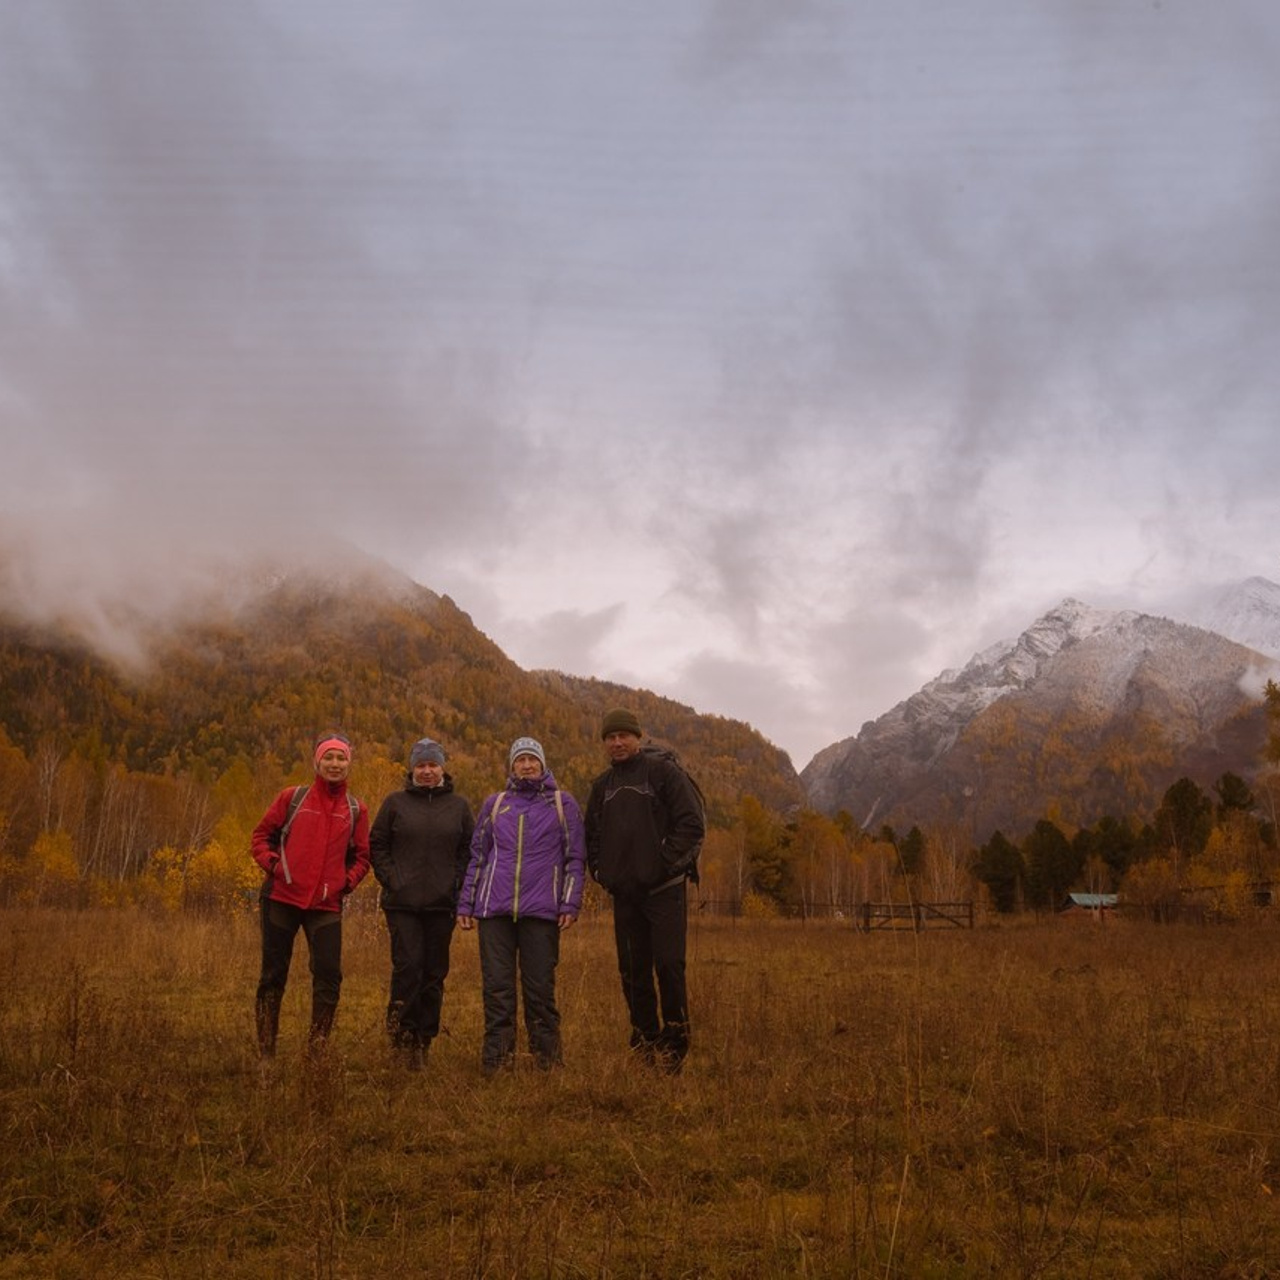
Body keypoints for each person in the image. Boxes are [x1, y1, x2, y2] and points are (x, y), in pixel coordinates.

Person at [585, 709, 705, 1073]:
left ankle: (675, 1045)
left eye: (624, 736)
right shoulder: (602, 786)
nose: (617, 743)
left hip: (664, 892)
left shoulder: (664, 773)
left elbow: (691, 824)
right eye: (611, 737)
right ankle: (645, 1041)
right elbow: (591, 836)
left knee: (669, 966)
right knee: (633, 971)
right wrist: (602, 873)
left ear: (638, 737)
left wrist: (660, 866)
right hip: (625, 895)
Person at [458, 737, 585, 1075]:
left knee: (539, 989)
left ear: (542, 764)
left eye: (532, 759)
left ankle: (547, 1063)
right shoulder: (496, 803)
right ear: (512, 766)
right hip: (494, 911)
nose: (527, 765)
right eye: (520, 760)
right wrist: (466, 903)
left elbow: (575, 858)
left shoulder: (563, 804)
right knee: (497, 988)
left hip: (542, 912)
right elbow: (478, 856)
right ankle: (497, 1062)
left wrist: (569, 902)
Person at [250, 733, 371, 1059]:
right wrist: (275, 867)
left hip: (326, 905)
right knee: (273, 976)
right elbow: (261, 837)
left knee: (329, 977)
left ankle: (316, 1054)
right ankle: (266, 1053)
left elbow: (362, 857)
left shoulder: (356, 809)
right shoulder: (292, 798)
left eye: (341, 758)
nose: (335, 764)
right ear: (317, 762)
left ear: (349, 764)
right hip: (281, 898)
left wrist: (346, 883)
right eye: (328, 757)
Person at [369, 737, 474, 1069]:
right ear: (412, 769)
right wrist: (392, 879)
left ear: (442, 768)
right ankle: (402, 1040)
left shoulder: (459, 806)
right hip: (403, 905)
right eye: (421, 765)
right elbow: (377, 844)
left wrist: (455, 883)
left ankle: (423, 1042)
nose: (427, 771)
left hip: (442, 905)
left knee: (433, 974)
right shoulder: (395, 803)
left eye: (433, 765)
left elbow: (468, 850)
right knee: (408, 969)